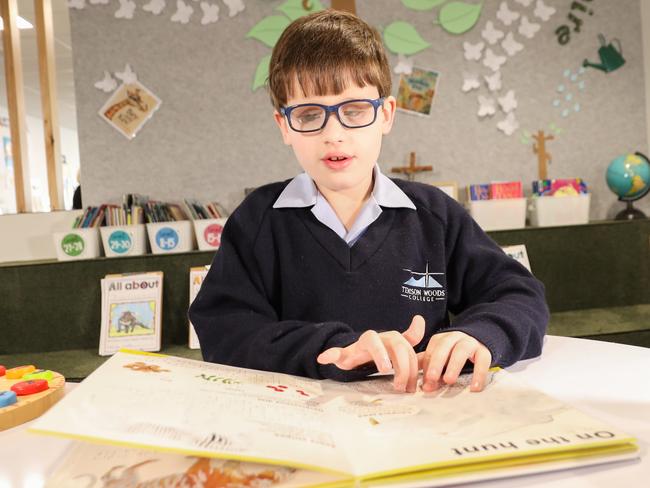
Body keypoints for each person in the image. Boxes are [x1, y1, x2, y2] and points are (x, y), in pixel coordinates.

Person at [189, 9, 548, 393]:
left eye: (355, 111)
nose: (334, 134)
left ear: (386, 115)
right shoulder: (258, 221)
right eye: (310, 115)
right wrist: (333, 349)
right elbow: (226, 331)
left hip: (420, 420)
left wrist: (480, 334)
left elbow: (519, 295)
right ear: (284, 127)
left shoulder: (434, 216)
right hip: (305, 430)